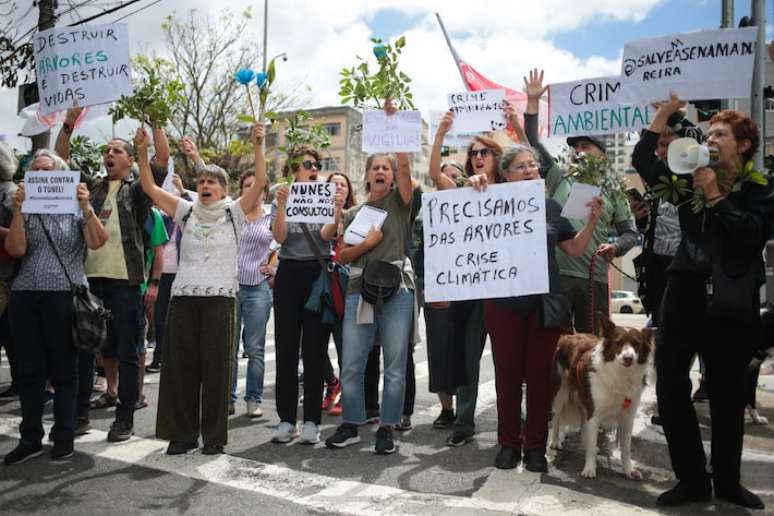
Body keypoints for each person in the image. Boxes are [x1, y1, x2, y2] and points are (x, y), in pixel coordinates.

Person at [634, 93, 774, 510]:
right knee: (672, 383)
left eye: (721, 133)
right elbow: (645, 160)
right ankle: (692, 478)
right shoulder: (688, 179)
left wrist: (716, 197)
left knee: (729, 392)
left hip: (732, 300)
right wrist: (661, 115)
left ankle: (728, 482)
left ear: (744, 144)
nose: (711, 138)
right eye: (709, 132)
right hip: (685, 293)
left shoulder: (759, 189)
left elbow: (751, 235)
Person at [468, 144, 602, 471]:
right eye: (522, 166)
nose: (530, 170)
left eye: (533, 165)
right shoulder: (488, 201)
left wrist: (593, 221)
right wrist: (474, 189)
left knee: (542, 378)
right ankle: (508, 444)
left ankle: (536, 447)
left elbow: (573, 248)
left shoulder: (551, 207)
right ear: (505, 174)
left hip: (545, 304)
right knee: (508, 374)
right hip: (503, 302)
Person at [136, 124, 266, 455]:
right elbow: (149, 186)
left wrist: (259, 145)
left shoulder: (235, 212)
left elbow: (260, 182)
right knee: (180, 368)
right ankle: (181, 435)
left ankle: (213, 438)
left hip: (220, 301)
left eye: (213, 182)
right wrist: (142, 149)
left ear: (224, 190)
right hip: (184, 298)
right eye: (202, 181)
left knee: (216, 370)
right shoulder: (186, 210)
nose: (205, 184)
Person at [56, 107, 169, 442]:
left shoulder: (138, 190)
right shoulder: (91, 188)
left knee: (128, 354)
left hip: (124, 284)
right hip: (88, 284)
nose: (109, 155)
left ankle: (125, 418)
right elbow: (62, 160)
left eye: (116, 151)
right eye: (107, 151)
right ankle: (79, 415)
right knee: (83, 351)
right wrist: (69, 122)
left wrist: (154, 121)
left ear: (131, 160)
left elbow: (162, 159)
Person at [2, 150, 108, 465]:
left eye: (48, 170)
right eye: (36, 171)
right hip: (25, 295)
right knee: (30, 371)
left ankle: (63, 436)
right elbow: (16, 249)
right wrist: (19, 211)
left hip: (63, 296)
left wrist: (86, 206)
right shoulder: (24, 207)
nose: (42, 175)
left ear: (61, 175)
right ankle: (30, 438)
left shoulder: (76, 208)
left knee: (64, 370)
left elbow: (97, 242)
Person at [324, 101, 416, 454]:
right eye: (375, 167)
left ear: (392, 177)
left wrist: (394, 125)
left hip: (397, 291)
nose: (381, 171)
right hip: (358, 288)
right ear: (366, 176)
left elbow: (405, 162)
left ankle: (387, 428)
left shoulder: (401, 203)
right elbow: (343, 255)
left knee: (395, 363)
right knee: (352, 362)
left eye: (386, 168)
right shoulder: (354, 213)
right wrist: (368, 244)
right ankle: (351, 423)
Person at [521, 69, 638, 334]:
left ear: (603, 156)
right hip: (557, 275)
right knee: (554, 346)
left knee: (591, 350)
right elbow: (533, 143)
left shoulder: (614, 189)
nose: (580, 151)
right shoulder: (558, 177)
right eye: (577, 147)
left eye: (587, 147)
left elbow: (630, 232)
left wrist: (616, 247)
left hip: (593, 278)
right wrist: (532, 103)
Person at [423, 111, 501, 446]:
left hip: (507, 291)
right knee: (469, 361)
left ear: (498, 157)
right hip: (470, 295)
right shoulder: (460, 191)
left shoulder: (516, 190)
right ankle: (464, 423)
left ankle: (513, 426)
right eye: (473, 153)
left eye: (485, 152)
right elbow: (431, 174)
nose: (479, 158)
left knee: (510, 363)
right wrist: (440, 134)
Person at [270, 143, 330, 445]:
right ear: (294, 169)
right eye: (308, 164)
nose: (314, 169)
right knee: (286, 349)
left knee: (315, 351)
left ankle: (312, 422)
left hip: (317, 275)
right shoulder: (281, 195)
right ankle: (285, 419)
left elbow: (327, 238)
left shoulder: (325, 196)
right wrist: (281, 206)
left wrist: (336, 210)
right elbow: (279, 237)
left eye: (316, 164)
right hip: (289, 273)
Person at [230, 170, 273, 419]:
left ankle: (253, 399)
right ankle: (228, 398)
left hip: (258, 288)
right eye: (246, 185)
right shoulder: (232, 215)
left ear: (264, 192)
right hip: (231, 287)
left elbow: (281, 243)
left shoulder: (271, 217)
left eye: (255, 186)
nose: (251, 189)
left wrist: (273, 266)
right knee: (229, 347)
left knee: (255, 348)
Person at [147, 174, 192, 374]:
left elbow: (194, 207)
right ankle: (159, 357)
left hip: (182, 275)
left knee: (180, 319)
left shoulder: (187, 220)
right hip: (162, 275)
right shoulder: (162, 220)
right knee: (159, 317)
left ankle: (179, 359)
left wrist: (182, 190)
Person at [320, 172, 356, 417]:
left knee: (346, 347)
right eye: (333, 185)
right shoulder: (317, 215)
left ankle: (347, 392)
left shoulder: (357, 216)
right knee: (313, 344)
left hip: (346, 290)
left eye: (342, 185)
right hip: (320, 288)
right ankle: (331, 382)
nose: (338, 188)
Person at [0, 142, 18, 400]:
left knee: (11, 333)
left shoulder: (14, 195)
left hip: (10, 275)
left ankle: (21, 380)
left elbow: (24, 235)